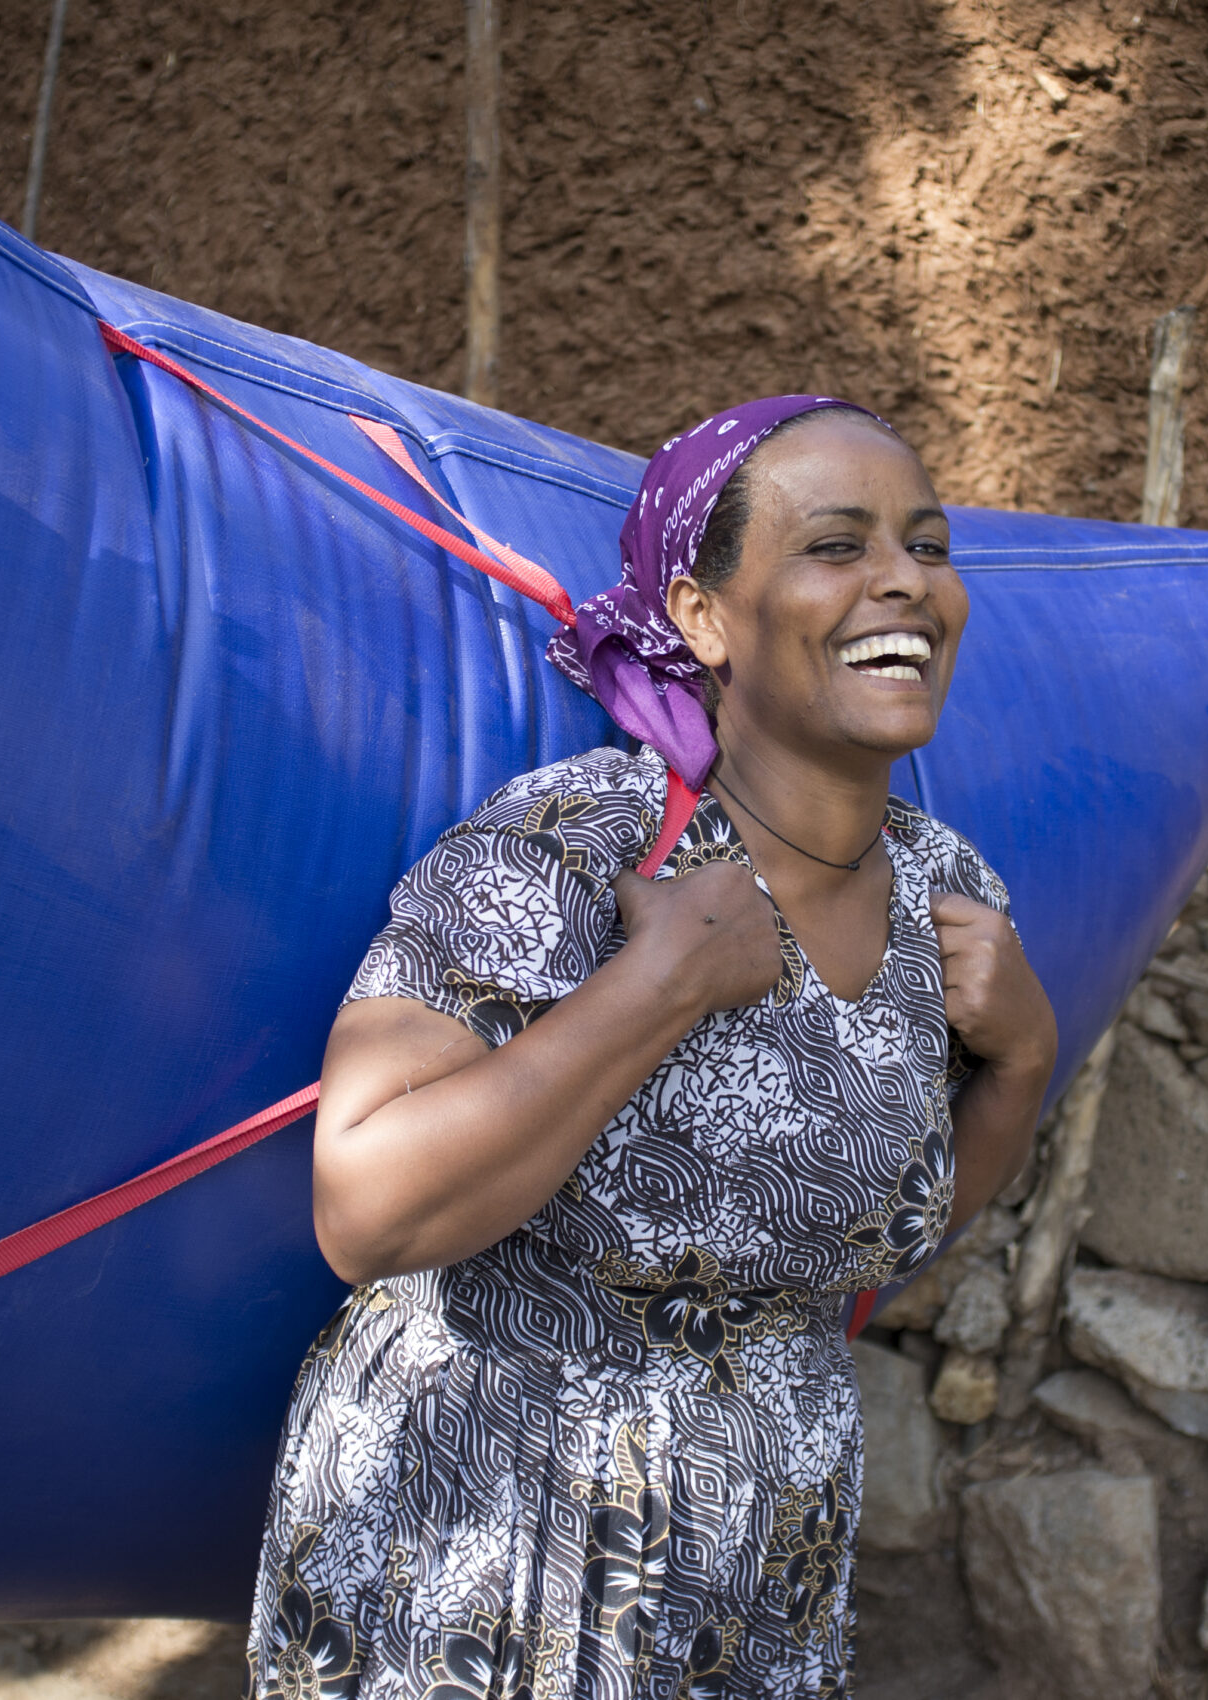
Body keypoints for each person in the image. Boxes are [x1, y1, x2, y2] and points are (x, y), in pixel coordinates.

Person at [246, 396, 1058, 1699]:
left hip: (760, 1561)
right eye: (836, 546)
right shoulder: (578, 844)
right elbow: (367, 1209)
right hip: (490, 1540)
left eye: (927, 545)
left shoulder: (947, 893)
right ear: (701, 617)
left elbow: (886, 1222)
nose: (903, 580)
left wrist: (1021, 1061)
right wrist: (658, 986)